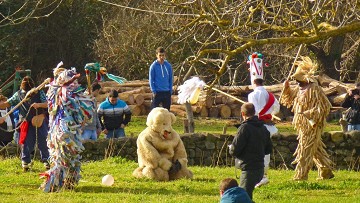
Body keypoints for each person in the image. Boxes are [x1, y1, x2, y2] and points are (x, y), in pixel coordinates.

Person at [280, 56, 334, 180]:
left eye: (299, 80)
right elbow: (287, 100)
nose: (297, 82)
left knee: (305, 149)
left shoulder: (314, 89)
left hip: (312, 124)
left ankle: (301, 175)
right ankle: (326, 170)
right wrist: (286, 88)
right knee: (315, 148)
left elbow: (324, 107)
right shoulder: (299, 89)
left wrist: (311, 113)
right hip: (302, 125)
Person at [0, 76, 50, 171]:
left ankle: (46, 161)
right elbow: (7, 103)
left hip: (39, 120)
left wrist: (39, 105)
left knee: (43, 140)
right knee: (27, 143)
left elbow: (48, 104)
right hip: (26, 122)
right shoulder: (18, 95)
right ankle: (26, 162)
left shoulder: (39, 92)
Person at [247, 52, 280, 187]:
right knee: (265, 152)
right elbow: (276, 109)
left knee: (257, 152)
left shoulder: (252, 95)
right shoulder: (270, 95)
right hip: (269, 126)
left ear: (253, 79)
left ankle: (260, 176)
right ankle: (263, 176)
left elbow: (253, 112)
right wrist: (269, 113)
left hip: (258, 127)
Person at [229, 102, 272, 200]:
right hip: (260, 168)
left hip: (249, 168)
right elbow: (268, 149)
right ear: (254, 112)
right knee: (247, 197)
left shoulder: (244, 128)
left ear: (243, 114)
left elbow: (234, 150)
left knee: (243, 198)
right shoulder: (263, 128)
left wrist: (231, 148)